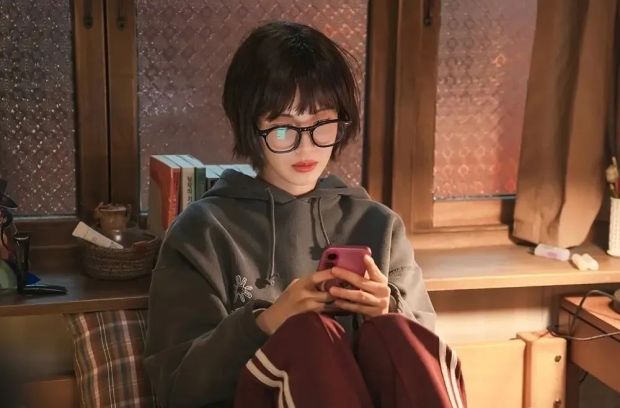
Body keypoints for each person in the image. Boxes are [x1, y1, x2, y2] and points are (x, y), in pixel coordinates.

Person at [144, 21, 465, 408]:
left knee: (395, 331)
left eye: (322, 124)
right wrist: (267, 321)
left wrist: (387, 310)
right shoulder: (203, 232)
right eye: (283, 128)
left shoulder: (380, 226)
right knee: (308, 335)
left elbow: (425, 363)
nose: (306, 147)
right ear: (249, 126)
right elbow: (178, 387)